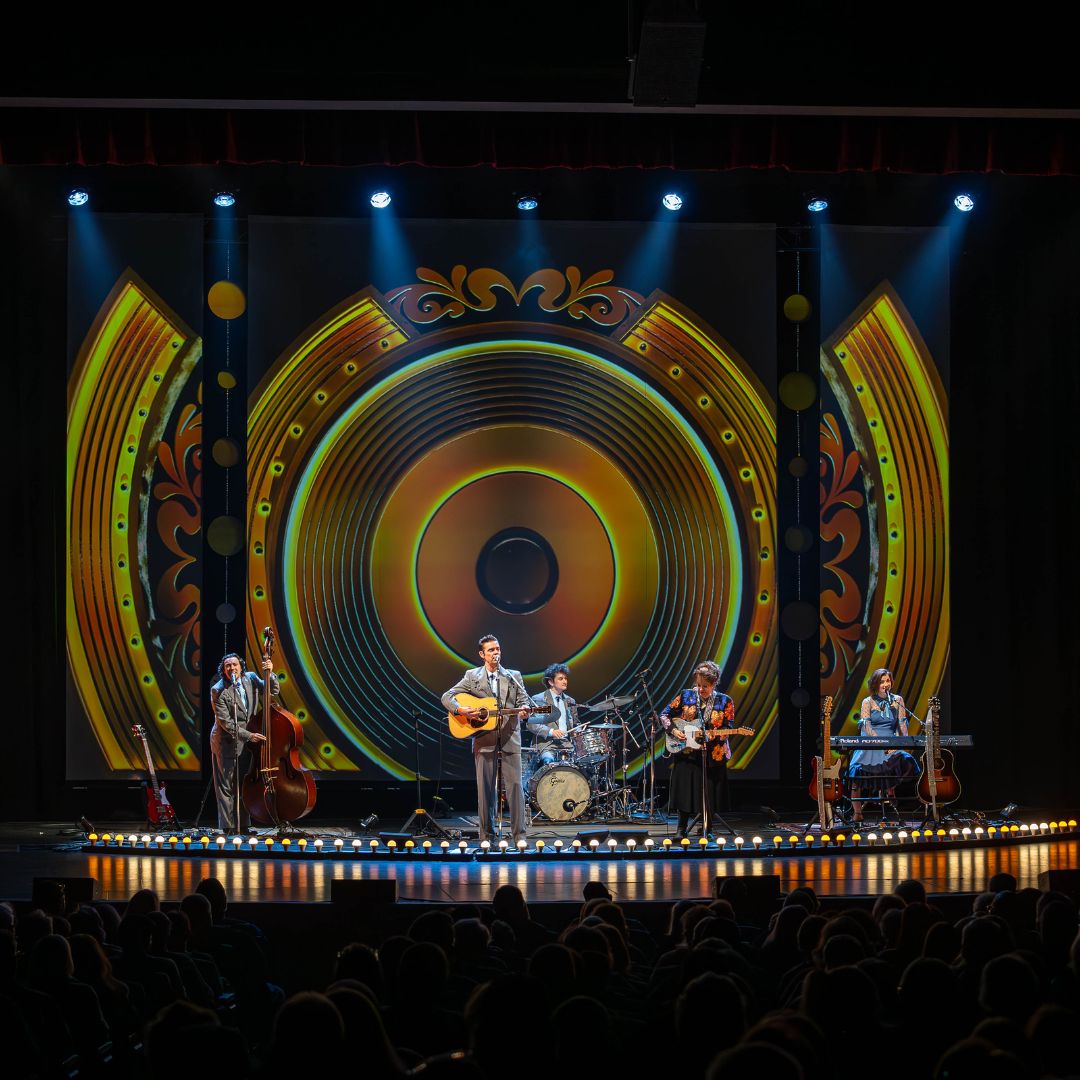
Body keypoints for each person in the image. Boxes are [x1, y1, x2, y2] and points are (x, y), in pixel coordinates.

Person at [442, 635, 538, 844]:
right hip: (484, 738)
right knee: (485, 790)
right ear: (482, 654)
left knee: (515, 789)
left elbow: (523, 702)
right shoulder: (471, 676)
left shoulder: (513, 676)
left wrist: (524, 711)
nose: (496, 653)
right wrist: (460, 710)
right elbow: (447, 696)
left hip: (510, 736)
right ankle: (486, 836)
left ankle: (519, 836)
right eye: (491, 650)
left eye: (498, 649)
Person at [659, 660, 735, 839]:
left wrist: (713, 735)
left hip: (712, 755)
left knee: (709, 794)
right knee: (684, 791)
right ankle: (681, 829)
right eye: (699, 685)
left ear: (714, 682)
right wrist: (674, 730)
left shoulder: (725, 701)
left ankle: (707, 829)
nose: (701, 689)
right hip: (687, 753)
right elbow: (664, 715)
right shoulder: (686, 696)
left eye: (706, 686)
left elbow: (727, 726)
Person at [210, 651, 277, 832]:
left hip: (247, 740)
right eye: (227, 666)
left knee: (243, 782)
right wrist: (249, 735)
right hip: (225, 741)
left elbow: (273, 691)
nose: (232, 668)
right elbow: (226, 723)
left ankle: (244, 825)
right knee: (226, 785)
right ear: (224, 670)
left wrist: (270, 673)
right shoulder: (218, 690)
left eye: (234, 664)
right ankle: (228, 828)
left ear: (241, 666)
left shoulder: (251, 678)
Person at [848, 667, 920, 821]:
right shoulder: (867, 702)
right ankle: (857, 813)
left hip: (891, 745)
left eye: (888, 681)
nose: (886, 684)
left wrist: (903, 742)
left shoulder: (898, 700)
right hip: (870, 744)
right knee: (856, 773)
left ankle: (890, 788)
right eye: (882, 681)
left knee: (905, 759)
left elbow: (902, 725)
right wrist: (880, 743)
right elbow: (866, 726)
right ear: (875, 684)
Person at [530, 663, 579, 742]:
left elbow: (576, 724)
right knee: (547, 755)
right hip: (547, 744)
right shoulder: (540, 700)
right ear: (551, 682)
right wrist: (551, 732)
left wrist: (579, 730)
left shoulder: (570, 701)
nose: (565, 681)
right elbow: (532, 723)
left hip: (567, 743)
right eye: (561, 679)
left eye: (565, 678)